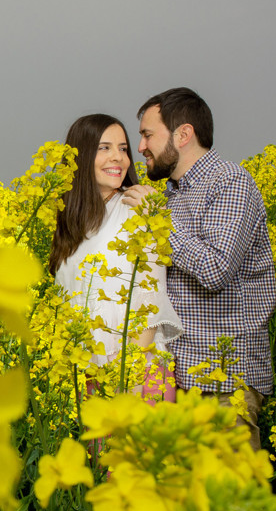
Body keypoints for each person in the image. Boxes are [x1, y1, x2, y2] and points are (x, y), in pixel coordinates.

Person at [121, 88, 276, 450]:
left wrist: (158, 220)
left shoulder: (230, 182)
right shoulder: (172, 195)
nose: (140, 147)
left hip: (225, 382)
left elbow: (215, 269)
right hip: (179, 378)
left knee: (228, 486)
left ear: (183, 134)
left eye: (147, 135)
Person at [50, 113, 183, 399]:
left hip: (134, 378)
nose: (118, 158)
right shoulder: (70, 222)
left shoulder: (137, 208)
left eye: (123, 148)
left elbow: (149, 301)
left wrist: (126, 384)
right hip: (86, 378)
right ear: (79, 156)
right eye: (104, 148)